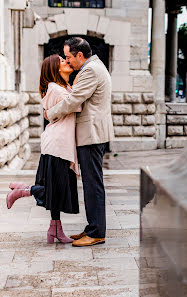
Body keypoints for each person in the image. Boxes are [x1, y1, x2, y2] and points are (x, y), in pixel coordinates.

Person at [46, 37, 114, 247]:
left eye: (69, 57)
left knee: (93, 184)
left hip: (91, 135)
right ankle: (92, 227)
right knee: (91, 183)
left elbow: (75, 99)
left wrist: (51, 113)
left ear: (80, 55)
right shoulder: (93, 67)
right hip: (92, 133)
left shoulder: (90, 70)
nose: (68, 61)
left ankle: (96, 233)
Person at [6, 54, 80, 244]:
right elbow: (76, 105)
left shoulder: (63, 87)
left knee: (57, 189)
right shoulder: (56, 89)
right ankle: (23, 191)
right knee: (56, 190)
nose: (67, 61)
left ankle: (55, 229)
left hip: (58, 143)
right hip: (58, 145)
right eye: (63, 61)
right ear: (55, 69)